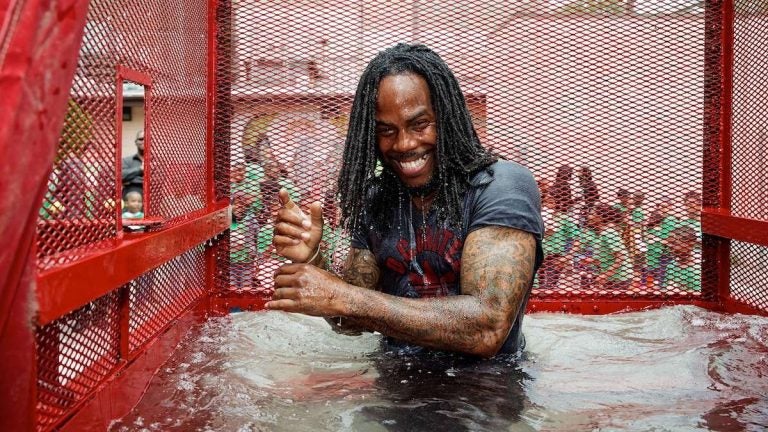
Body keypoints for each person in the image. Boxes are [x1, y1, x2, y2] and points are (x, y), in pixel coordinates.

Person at [266, 43, 544, 358]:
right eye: (386, 130)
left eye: (419, 124)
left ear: (446, 117)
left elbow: (486, 328)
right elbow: (350, 321)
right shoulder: (376, 199)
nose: (404, 143)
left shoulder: (501, 186)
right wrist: (312, 260)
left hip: (485, 395)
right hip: (393, 390)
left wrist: (342, 295)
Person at [592, 203, 632, 290]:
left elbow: (620, 257)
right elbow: (606, 256)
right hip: (613, 277)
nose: (590, 215)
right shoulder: (604, 232)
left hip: (619, 279)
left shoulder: (609, 232)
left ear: (600, 217)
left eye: (593, 212)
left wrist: (605, 275)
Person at [664, 226, 701, 291]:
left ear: (690, 245)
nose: (669, 246)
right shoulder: (671, 265)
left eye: (674, 243)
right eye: (669, 243)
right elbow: (665, 287)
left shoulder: (696, 272)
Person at [122, 129, 144, 199]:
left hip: (151, 202)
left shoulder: (155, 162)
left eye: (146, 139)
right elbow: (121, 176)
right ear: (136, 142)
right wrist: (140, 169)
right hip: (130, 203)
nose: (143, 141)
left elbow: (156, 182)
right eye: (141, 139)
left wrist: (131, 179)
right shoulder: (127, 161)